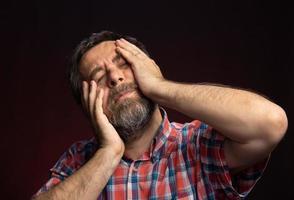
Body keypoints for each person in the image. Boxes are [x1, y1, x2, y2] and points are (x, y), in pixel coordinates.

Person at [32, 30, 288, 200]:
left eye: (125, 65)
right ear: (87, 103)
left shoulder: (196, 144)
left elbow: (270, 123)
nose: (114, 77)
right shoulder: (78, 161)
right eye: (99, 77)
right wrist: (109, 152)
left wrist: (159, 87)